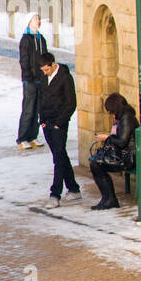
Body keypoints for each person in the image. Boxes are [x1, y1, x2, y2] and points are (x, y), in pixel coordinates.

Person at [39, 52, 82, 208]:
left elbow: (71, 103)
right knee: (61, 156)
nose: (45, 73)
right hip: (47, 123)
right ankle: (74, 189)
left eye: (46, 70)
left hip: (59, 124)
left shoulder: (65, 77)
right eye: (43, 71)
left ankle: (55, 194)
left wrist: (59, 123)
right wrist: (42, 120)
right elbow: (41, 98)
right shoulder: (44, 77)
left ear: (53, 64)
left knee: (58, 158)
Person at [89, 93, 138, 210]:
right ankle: (107, 198)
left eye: (111, 111)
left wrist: (106, 138)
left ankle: (110, 199)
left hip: (128, 158)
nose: (111, 114)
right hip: (124, 155)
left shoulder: (127, 118)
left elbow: (122, 141)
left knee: (97, 165)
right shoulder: (123, 117)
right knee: (96, 163)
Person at [16, 14, 48, 150]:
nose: (38, 21)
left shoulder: (41, 39)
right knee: (28, 109)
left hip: (41, 79)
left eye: (39, 19)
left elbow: (45, 57)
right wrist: (28, 75)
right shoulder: (26, 40)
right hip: (30, 80)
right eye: (35, 19)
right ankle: (22, 138)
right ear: (29, 21)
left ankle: (33, 136)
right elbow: (24, 60)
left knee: (37, 108)